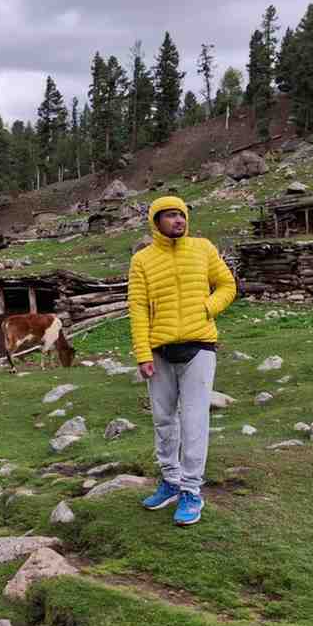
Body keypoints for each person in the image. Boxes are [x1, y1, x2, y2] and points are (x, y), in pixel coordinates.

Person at [129, 195, 236, 527]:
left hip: (199, 348)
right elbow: (137, 309)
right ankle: (170, 481)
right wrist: (143, 353)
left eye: (182, 215)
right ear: (156, 221)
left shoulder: (203, 249)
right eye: (171, 215)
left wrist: (208, 308)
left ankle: (191, 491)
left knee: (194, 422)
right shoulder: (142, 260)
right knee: (163, 420)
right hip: (159, 352)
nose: (178, 220)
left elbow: (227, 284)